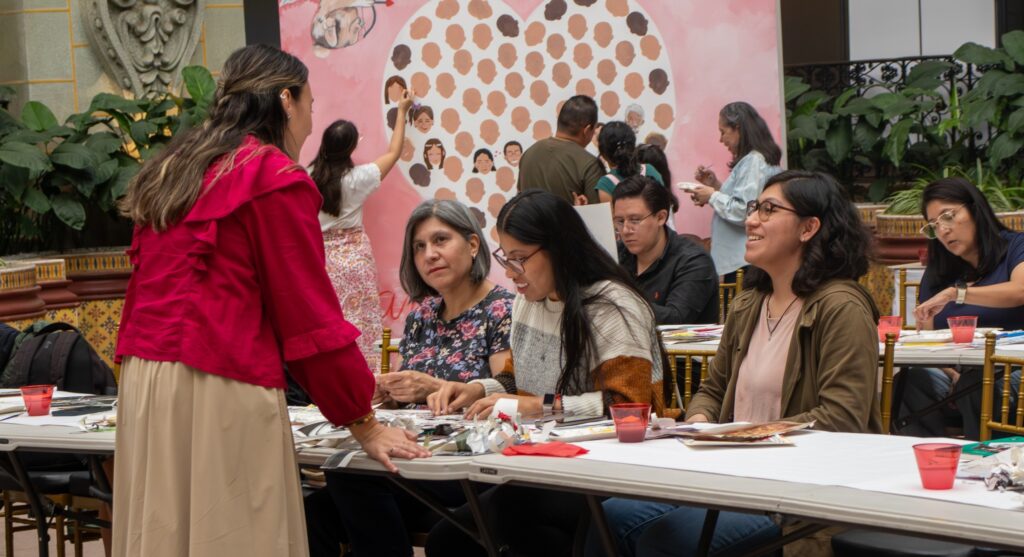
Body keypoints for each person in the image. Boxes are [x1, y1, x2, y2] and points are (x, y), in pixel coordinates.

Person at [112, 44, 429, 557]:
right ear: (285, 100)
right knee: (234, 534)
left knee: (166, 534)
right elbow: (306, 316)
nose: (309, 122)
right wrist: (363, 421)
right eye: (308, 103)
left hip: (147, 380)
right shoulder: (270, 176)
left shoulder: (174, 170)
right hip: (217, 376)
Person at [591, 170, 881, 557]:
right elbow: (712, 389)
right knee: (603, 518)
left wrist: (737, 437)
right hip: (734, 477)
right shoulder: (748, 304)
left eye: (768, 209)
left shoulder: (840, 307)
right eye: (753, 208)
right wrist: (698, 424)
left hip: (796, 493)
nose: (751, 220)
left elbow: (841, 417)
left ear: (809, 227)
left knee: (666, 540)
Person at [426, 190, 667, 556]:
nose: (510, 272)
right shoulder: (528, 300)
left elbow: (630, 407)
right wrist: (477, 389)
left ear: (559, 249)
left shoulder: (612, 307)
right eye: (506, 257)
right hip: (549, 464)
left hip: (614, 470)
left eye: (520, 258)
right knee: (459, 537)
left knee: (482, 530)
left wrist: (541, 406)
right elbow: (516, 383)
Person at [309, 199, 514, 557]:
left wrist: (435, 388)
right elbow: (406, 391)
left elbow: (508, 393)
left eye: (440, 240)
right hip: (414, 458)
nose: (429, 255)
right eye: (419, 247)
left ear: (472, 245)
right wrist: (387, 392)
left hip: (465, 463)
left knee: (350, 478)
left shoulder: (501, 309)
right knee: (317, 509)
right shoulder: (422, 314)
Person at [898, 177, 1024, 440]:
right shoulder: (940, 271)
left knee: (980, 383)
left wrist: (959, 293)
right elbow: (928, 338)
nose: (943, 230)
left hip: (1015, 370)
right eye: (934, 225)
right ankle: (923, 459)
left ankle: (983, 467)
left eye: (948, 216)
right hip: (957, 375)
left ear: (975, 209)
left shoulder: (1015, 246)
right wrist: (950, 372)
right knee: (910, 381)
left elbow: (1019, 291)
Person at [312, 90, 412, 371]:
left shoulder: (306, 177)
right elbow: (394, 152)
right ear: (351, 149)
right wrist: (402, 110)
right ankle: (366, 385)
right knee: (364, 325)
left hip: (323, 260)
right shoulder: (359, 178)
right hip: (356, 258)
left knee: (330, 323)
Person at [687, 101, 782, 282]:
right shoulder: (756, 159)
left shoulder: (754, 161)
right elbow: (745, 201)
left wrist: (712, 196)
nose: (720, 140)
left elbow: (744, 211)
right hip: (746, 258)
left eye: (723, 132)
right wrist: (714, 185)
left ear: (738, 128)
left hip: (745, 260)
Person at [613, 175, 717, 324]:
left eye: (635, 220)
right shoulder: (616, 254)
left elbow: (676, 318)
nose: (625, 230)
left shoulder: (693, 260)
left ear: (661, 217)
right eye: (620, 221)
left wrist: (618, 302)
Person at [517, 95, 604, 205]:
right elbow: (597, 215)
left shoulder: (528, 154)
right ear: (586, 130)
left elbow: (519, 199)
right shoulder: (590, 164)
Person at [595, 121, 664, 203]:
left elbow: (610, 215)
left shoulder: (605, 184)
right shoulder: (650, 170)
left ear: (602, 153)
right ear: (633, 145)